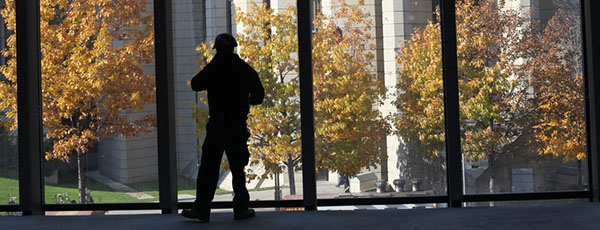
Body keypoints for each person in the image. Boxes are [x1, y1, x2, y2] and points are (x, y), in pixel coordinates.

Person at [181, 33, 264, 222]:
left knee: (209, 168)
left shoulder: (215, 68)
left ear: (218, 49)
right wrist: (245, 101)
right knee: (237, 167)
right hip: (238, 125)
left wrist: (213, 65)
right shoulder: (244, 69)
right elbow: (259, 95)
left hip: (218, 125)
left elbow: (195, 84)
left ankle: (202, 208)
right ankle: (241, 208)